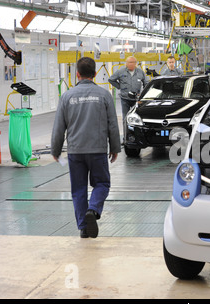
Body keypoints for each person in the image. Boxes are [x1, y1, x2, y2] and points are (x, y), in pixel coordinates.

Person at [51, 57, 121, 239]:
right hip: (97, 149)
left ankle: (83, 227)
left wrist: (55, 150)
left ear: (77, 74)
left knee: (78, 189)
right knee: (102, 184)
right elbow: (112, 124)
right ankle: (93, 209)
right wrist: (114, 147)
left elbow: (59, 126)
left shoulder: (66, 96)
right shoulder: (104, 95)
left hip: (75, 151)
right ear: (95, 74)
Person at [108, 56, 148, 133]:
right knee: (125, 119)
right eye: (129, 62)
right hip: (124, 99)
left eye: (132, 62)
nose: (131, 64)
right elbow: (111, 79)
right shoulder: (120, 72)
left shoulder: (140, 72)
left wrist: (143, 94)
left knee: (137, 119)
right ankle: (126, 137)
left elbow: (146, 83)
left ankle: (136, 137)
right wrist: (119, 87)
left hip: (136, 100)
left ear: (135, 64)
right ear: (126, 63)